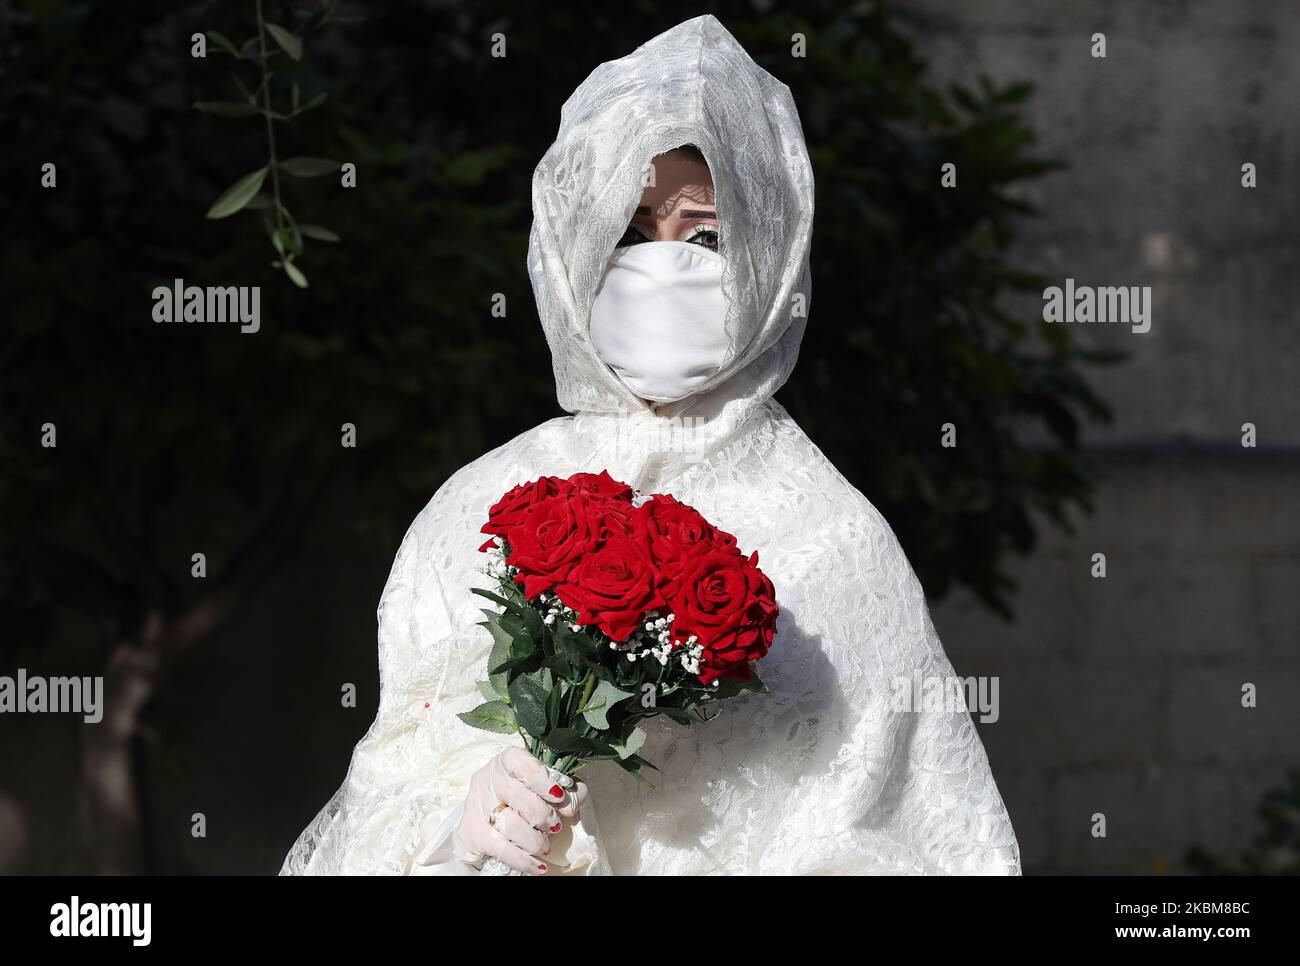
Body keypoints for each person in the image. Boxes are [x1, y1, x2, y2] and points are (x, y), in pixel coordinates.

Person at [280, 14, 1021, 876]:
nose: (664, 266)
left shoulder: (840, 542)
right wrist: (462, 827)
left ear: (769, 255)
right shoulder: (473, 509)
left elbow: (927, 841)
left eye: (704, 236)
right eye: (629, 232)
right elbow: (381, 807)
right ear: (572, 248)